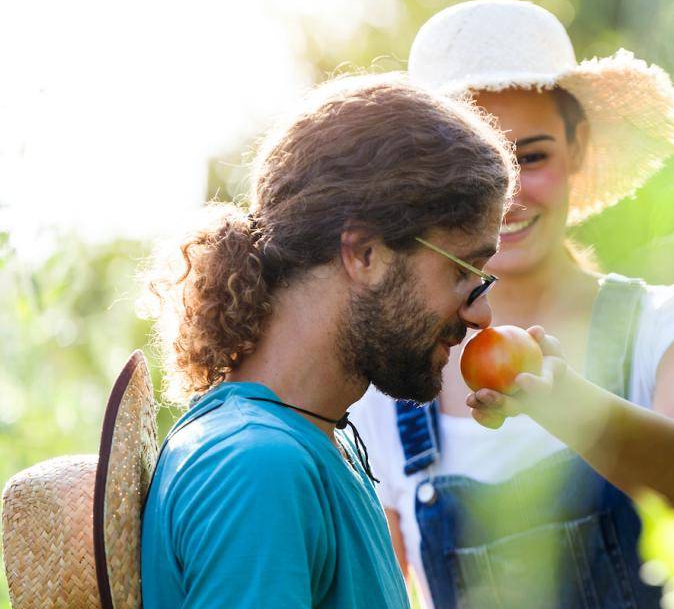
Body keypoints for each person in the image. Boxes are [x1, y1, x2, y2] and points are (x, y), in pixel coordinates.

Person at [349, 0, 674, 608]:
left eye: (532, 156)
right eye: (475, 173)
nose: (506, 198)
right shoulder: (386, 392)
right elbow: (386, 589)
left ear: (579, 146)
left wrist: (567, 405)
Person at [139, 73, 517, 608]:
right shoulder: (259, 469)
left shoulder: (315, 443)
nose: (483, 313)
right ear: (364, 254)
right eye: (464, 270)